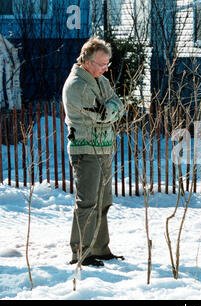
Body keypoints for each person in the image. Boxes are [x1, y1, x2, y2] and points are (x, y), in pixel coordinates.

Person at [63, 36, 125, 267]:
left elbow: (119, 105)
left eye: (107, 64)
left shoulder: (101, 81)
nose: (106, 69)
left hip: (103, 147)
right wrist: (110, 110)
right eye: (102, 64)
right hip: (85, 149)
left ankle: (100, 248)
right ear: (87, 61)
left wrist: (111, 109)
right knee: (87, 202)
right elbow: (101, 114)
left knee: (103, 201)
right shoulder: (76, 85)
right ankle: (81, 252)